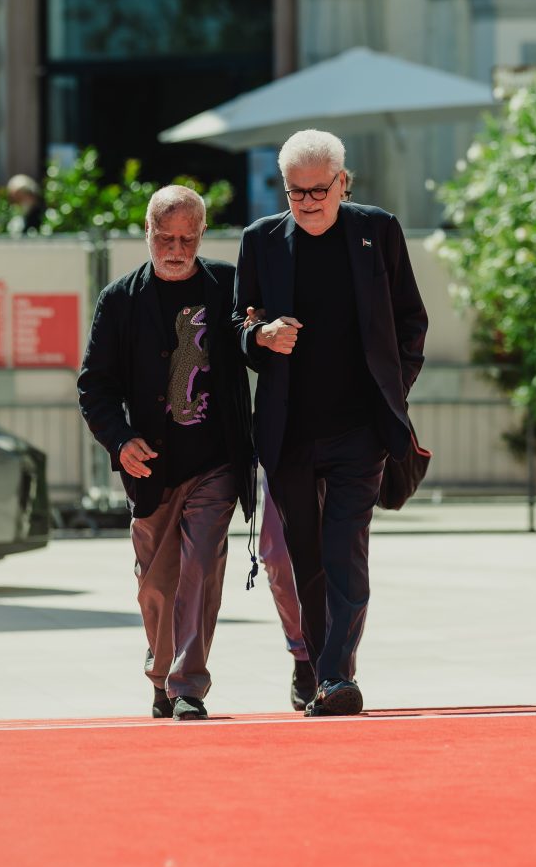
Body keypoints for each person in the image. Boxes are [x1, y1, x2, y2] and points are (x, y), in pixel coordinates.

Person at [234, 129, 428, 716]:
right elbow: (236, 330)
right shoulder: (261, 241)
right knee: (303, 555)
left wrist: (393, 392)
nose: (309, 202)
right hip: (289, 432)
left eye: (320, 190)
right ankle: (317, 667)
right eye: (296, 192)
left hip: (360, 432)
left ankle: (336, 678)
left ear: (343, 182)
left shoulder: (379, 231)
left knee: (347, 550)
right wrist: (260, 337)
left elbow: (410, 323)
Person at [78, 185, 256, 721]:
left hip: (215, 460)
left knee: (201, 566)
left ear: (201, 235)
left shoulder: (226, 284)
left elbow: (253, 343)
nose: (175, 249)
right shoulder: (120, 299)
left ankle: (187, 686)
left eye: (186, 238)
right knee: (156, 584)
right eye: (165, 237)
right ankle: (161, 671)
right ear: (148, 233)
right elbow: (95, 386)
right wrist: (120, 439)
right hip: (151, 465)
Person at [259, 474, 315, 710]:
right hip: (280, 454)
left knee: (339, 557)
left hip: (338, 450)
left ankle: (337, 663)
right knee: (277, 558)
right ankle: (302, 651)